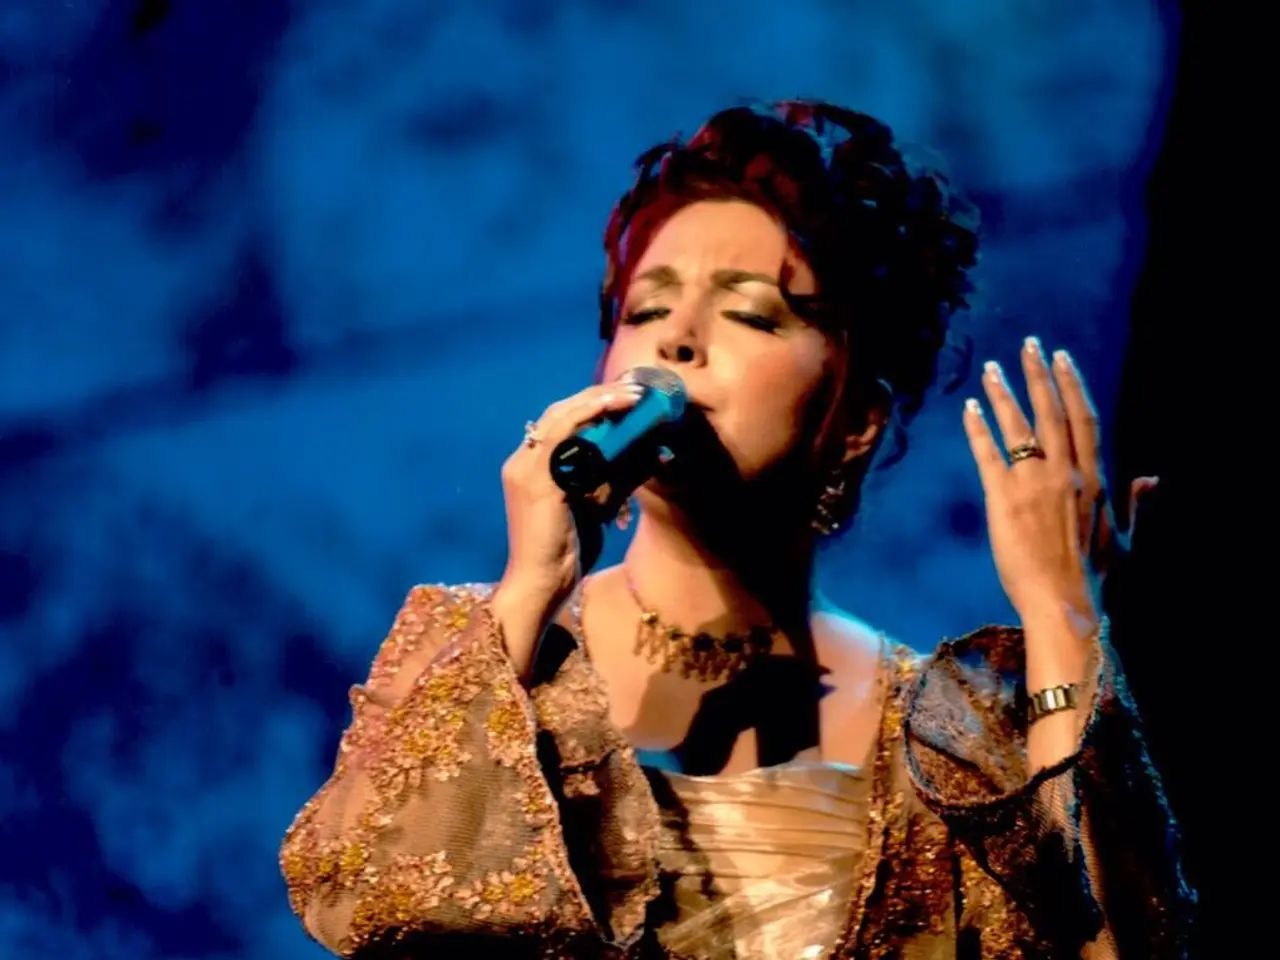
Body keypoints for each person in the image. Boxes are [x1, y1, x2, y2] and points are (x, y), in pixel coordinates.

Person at [278, 101, 1193, 959]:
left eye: (751, 312)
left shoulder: (938, 741)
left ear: (856, 418)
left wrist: (1064, 616)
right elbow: (367, 906)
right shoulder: (476, 645)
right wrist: (529, 594)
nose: (676, 340)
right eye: (646, 309)